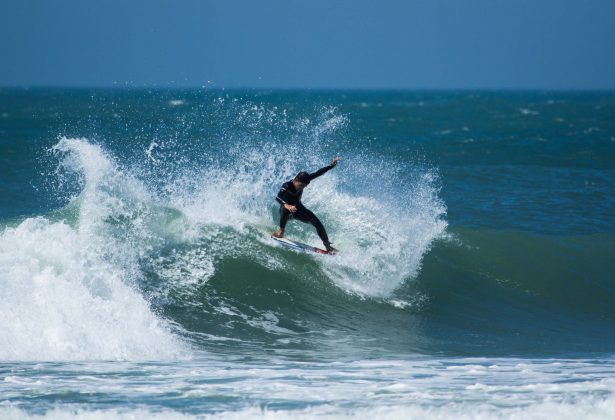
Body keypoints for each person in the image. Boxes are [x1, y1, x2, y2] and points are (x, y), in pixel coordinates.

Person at [273, 157, 341, 253]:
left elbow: (318, 173)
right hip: (286, 212)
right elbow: (278, 197)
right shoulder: (287, 185)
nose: (302, 188)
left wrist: (330, 166)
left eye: (304, 186)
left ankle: (327, 246)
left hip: (298, 209)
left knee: (317, 223)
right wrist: (286, 205)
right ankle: (281, 231)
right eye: (301, 185)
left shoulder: (304, 180)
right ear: (295, 180)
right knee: (285, 209)